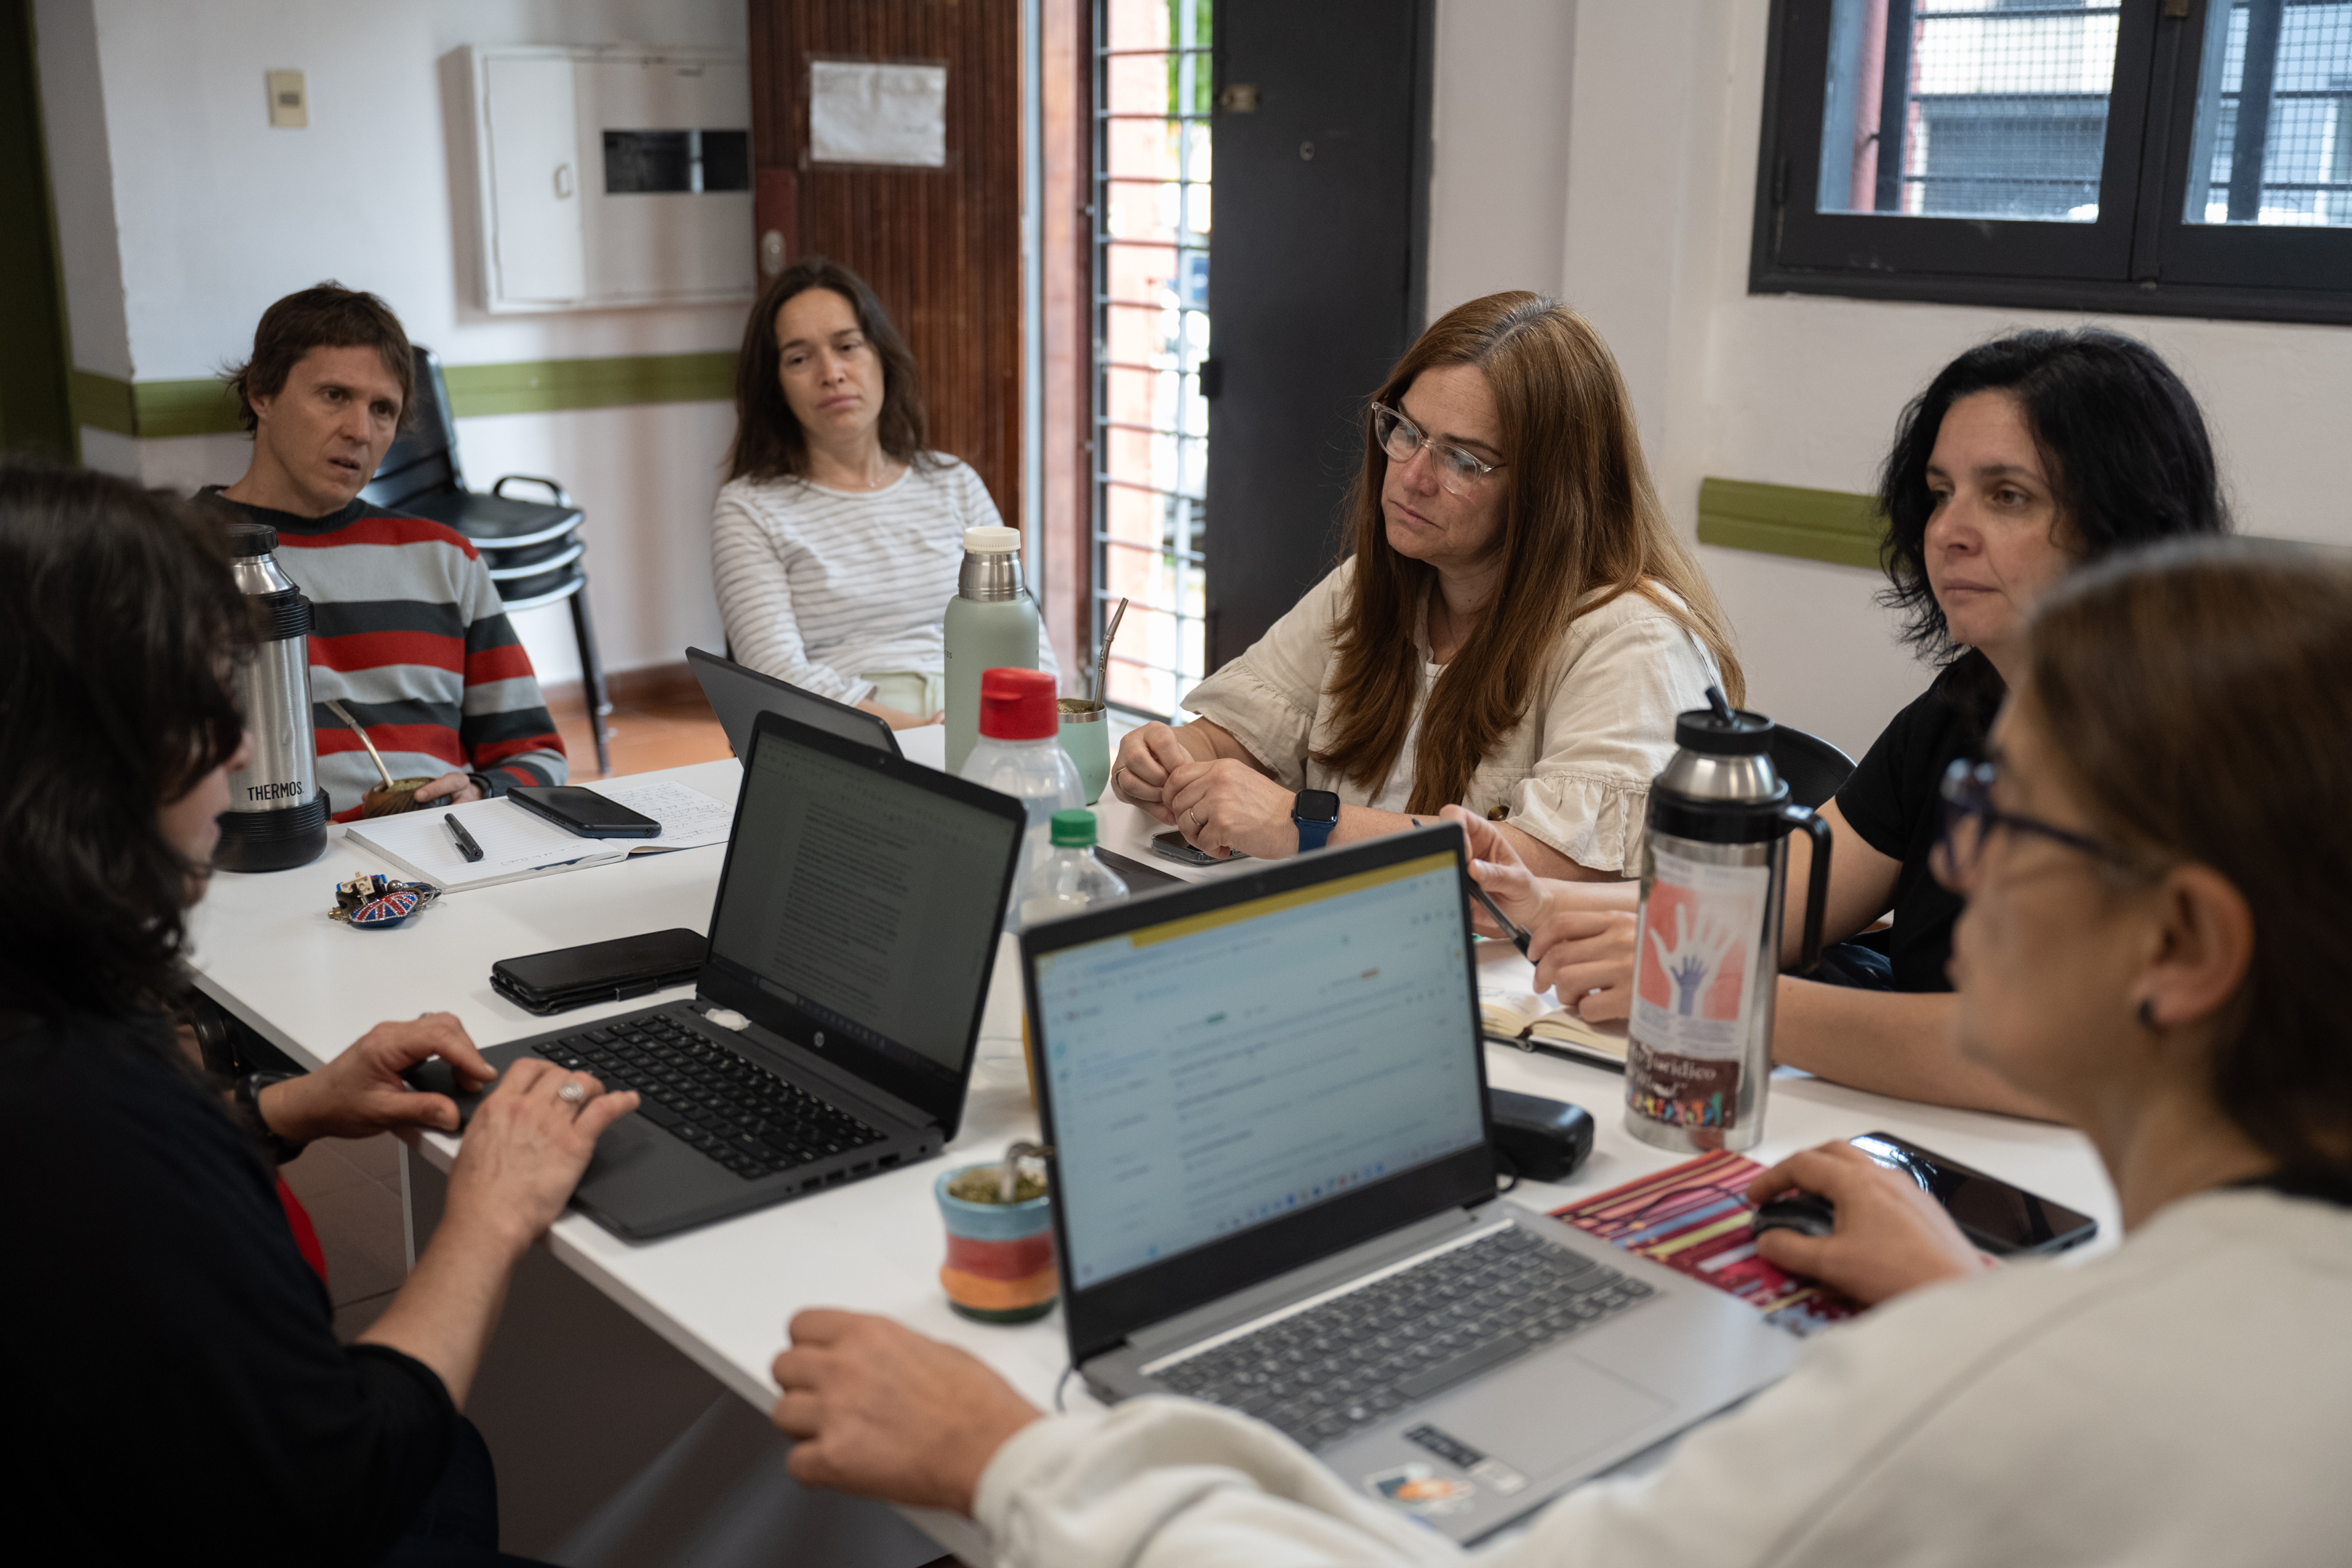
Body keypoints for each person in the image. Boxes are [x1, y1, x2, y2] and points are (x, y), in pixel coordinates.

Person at [766, 536, 2352, 1563]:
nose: (1955, 867)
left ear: (2185, 945)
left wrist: (1016, 1460)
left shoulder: (1995, 1396)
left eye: (2000, 815)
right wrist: (1971, 1303)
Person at [0, 464, 634, 1563]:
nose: (244, 751)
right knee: (452, 1467)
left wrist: (281, 1109)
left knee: (471, 1464)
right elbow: (336, 1486)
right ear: (97, 759)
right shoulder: (81, 1105)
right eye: (210, 712)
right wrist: (485, 1219)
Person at [1458, 329, 2228, 1116]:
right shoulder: (1966, 700)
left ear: (2123, 520)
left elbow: (2052, 1054)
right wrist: (1548, 904)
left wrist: (1721, 997)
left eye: (2007, 496)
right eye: (1940, 493)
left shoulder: (2202, 738)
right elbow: (1784, 899)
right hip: (1944, 1137)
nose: (1948, 530)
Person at [1108, 292, 1740, 876]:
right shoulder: (1380, 585)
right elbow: (1239, 735)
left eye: (1463, 460)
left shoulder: (1634, 639)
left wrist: (1296, 825)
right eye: (1407, 431)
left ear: (1550, 493)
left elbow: (1548, 867)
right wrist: (1172, 758)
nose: (1411, 476)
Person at [205, 282, 567, 819]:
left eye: (382, 410)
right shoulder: (170, 557)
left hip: (436, 855)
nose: (359, 431)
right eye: (334, 396)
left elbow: (537, 757)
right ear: (262, 393)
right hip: (260, 864)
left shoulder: (445, 559)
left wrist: (480, 793)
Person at [710, 255, 1056, 730]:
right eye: (799, 358)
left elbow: (1025, 634)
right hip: (858, 729)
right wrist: (925, 734)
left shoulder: (954, 481)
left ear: (880, 356)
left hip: (983, 713)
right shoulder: (748, 508)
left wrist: (1028, 719)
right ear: (775, 388)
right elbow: (775, 676)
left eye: (847, 346)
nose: (831, 373)